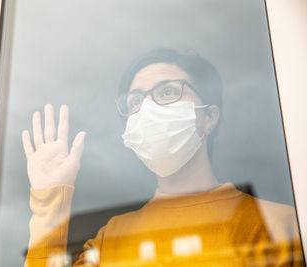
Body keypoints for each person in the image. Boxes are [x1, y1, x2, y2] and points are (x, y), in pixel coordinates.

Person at [21, 49, 303, 266]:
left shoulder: (280, 224)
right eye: (135, 101)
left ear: (209, 117)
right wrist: (50, 202)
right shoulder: (112, 236)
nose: (147, 108)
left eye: (167, 92)